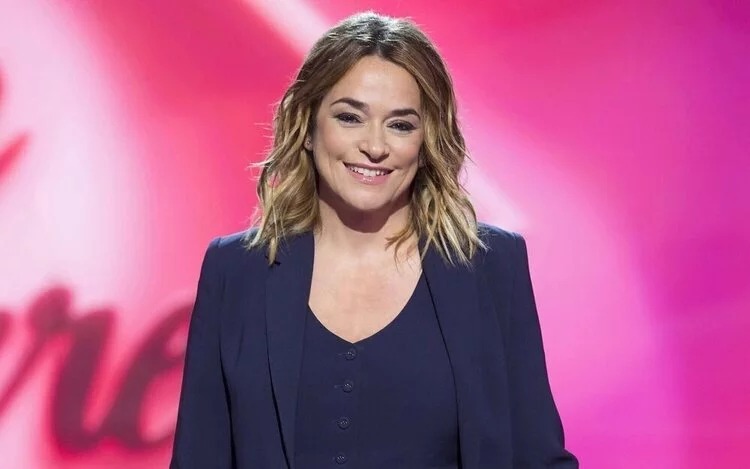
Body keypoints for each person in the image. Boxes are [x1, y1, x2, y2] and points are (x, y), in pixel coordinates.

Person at [169, 11, 578, 469]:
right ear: (308, 125)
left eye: (401, 125)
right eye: (350, 118)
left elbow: (537, 456)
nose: (375, 146)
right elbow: (199, 457)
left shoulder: (489, 265)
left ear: (427, 140)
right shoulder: (237, 270)